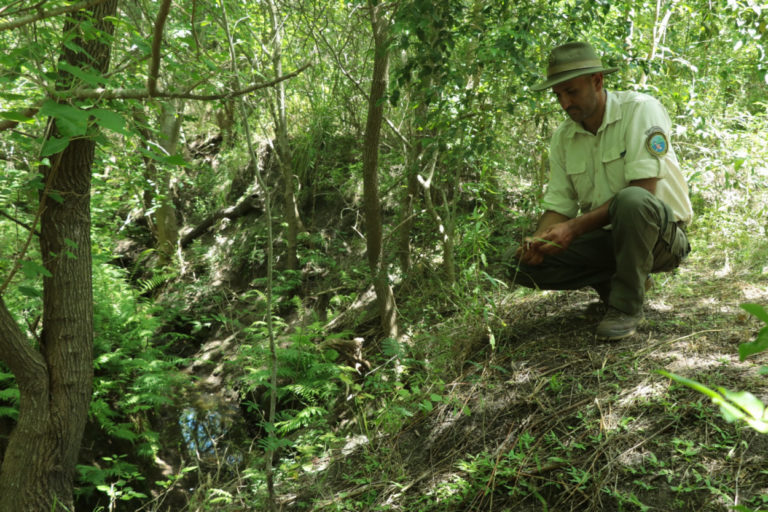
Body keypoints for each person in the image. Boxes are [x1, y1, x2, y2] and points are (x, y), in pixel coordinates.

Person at [513, 41, 693, 340]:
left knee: (632, 200)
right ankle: (618, 282)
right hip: (608, 238)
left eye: (572, 91)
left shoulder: (640, 109)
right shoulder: (564, 137)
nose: (564, 103)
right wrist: (538, 241)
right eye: (558, 95)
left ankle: (626, 308)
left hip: (661, 238)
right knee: (517, 265)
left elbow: (643, 191)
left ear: (597, 81)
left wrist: (572, 228)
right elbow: (559, 204)